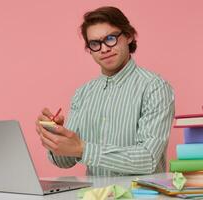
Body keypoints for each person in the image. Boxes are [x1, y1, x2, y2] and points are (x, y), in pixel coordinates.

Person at [36, 6, 175, 176]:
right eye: (95, 43)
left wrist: (83, 148)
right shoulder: (83, 93)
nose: (104, 49)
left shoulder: (155, 87)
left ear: (129, 36)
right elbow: (66, 161)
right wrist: (57, 138)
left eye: (110, 38)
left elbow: (148, 159)